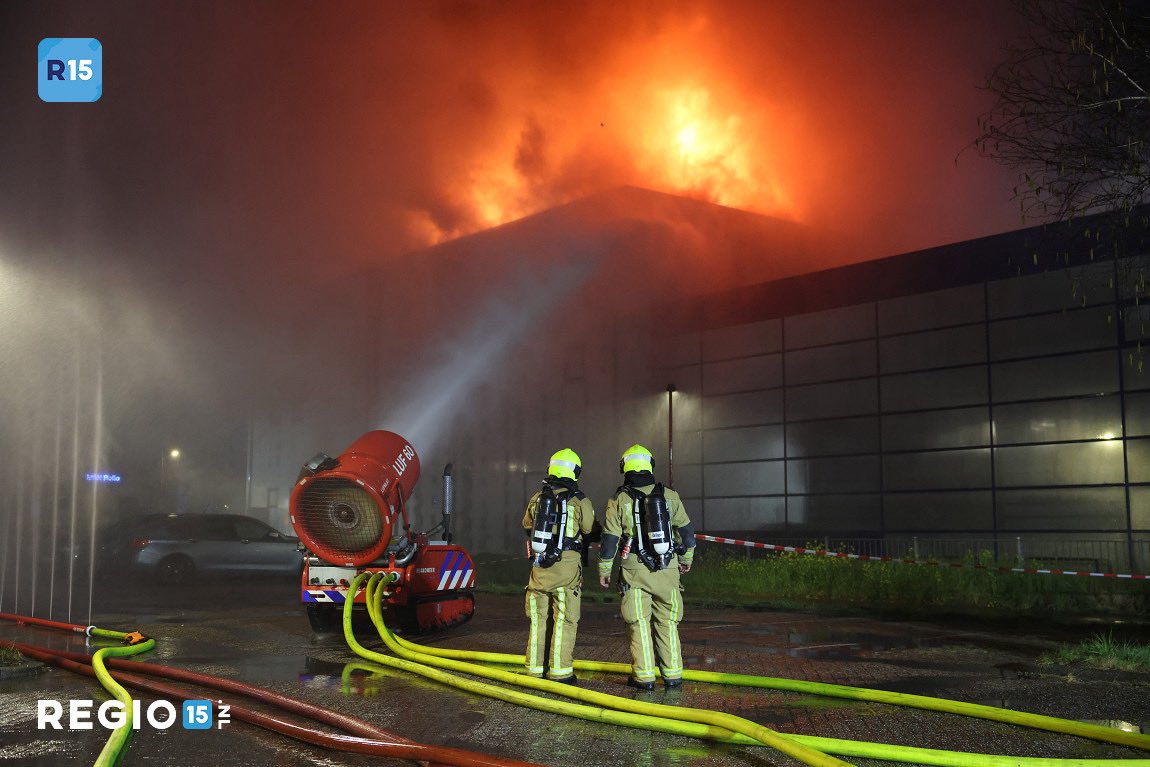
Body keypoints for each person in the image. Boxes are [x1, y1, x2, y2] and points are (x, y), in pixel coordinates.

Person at [598, 444, 696, 691]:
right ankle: (673, 676)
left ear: (625, 468)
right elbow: (687, 533)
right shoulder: (670, 496)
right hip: (668, 569)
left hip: (635, 571)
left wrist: (604, 570)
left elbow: (610, 539)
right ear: (650, 465)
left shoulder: (618, 499)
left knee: (639, 622)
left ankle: (644, 678)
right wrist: (686, 560)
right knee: (668, 622)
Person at [522, 448, 596, 684]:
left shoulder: (537, 498)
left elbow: (526, 526)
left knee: (538, 620)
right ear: (575, 471)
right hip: (566, 571)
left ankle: (534, 668)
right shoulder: (579, 500)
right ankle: (560, 671)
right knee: (565, 620)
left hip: (539, 570)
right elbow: (589, 530)